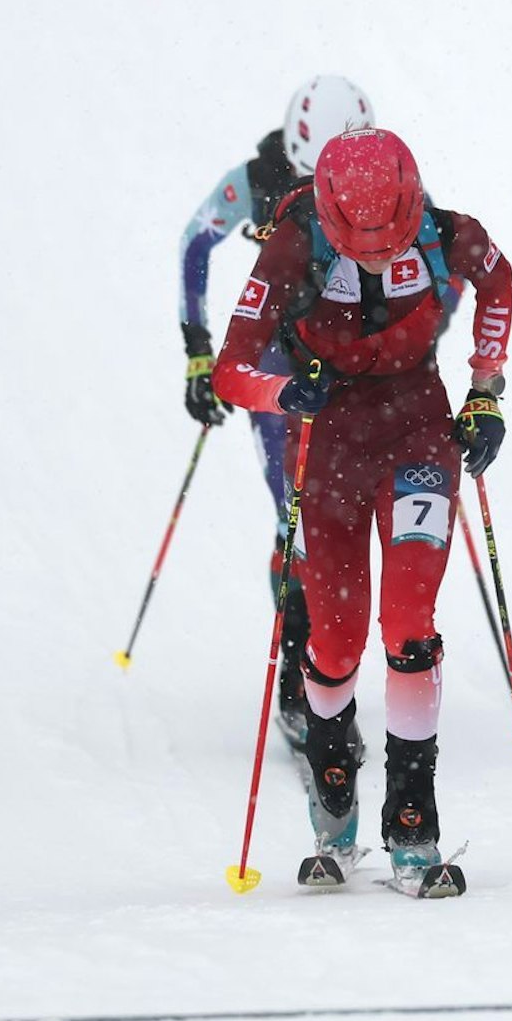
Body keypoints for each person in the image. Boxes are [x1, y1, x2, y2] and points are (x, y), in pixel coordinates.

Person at [213, 127, 512, 881]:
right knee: (337, 643)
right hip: (326, 448)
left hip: (418, 434)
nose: (380, 254)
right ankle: (334, 796)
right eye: (361, 243)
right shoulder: (292, 246)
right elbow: (230, 370)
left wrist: (484, 390)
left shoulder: (451, 235)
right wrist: (284, 390)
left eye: (393, 238)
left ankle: (413, 818)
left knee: (410, 624)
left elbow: (501, 281)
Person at [177, 76, 373, 751]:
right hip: (277, 373)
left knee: (350, 521)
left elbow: (440, 260)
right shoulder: (255, 178)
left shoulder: (380, 170)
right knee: (301, 521)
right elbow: (194, 242)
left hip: (355, 366)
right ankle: (301, 676)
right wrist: (200, 352)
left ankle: (332, 663)